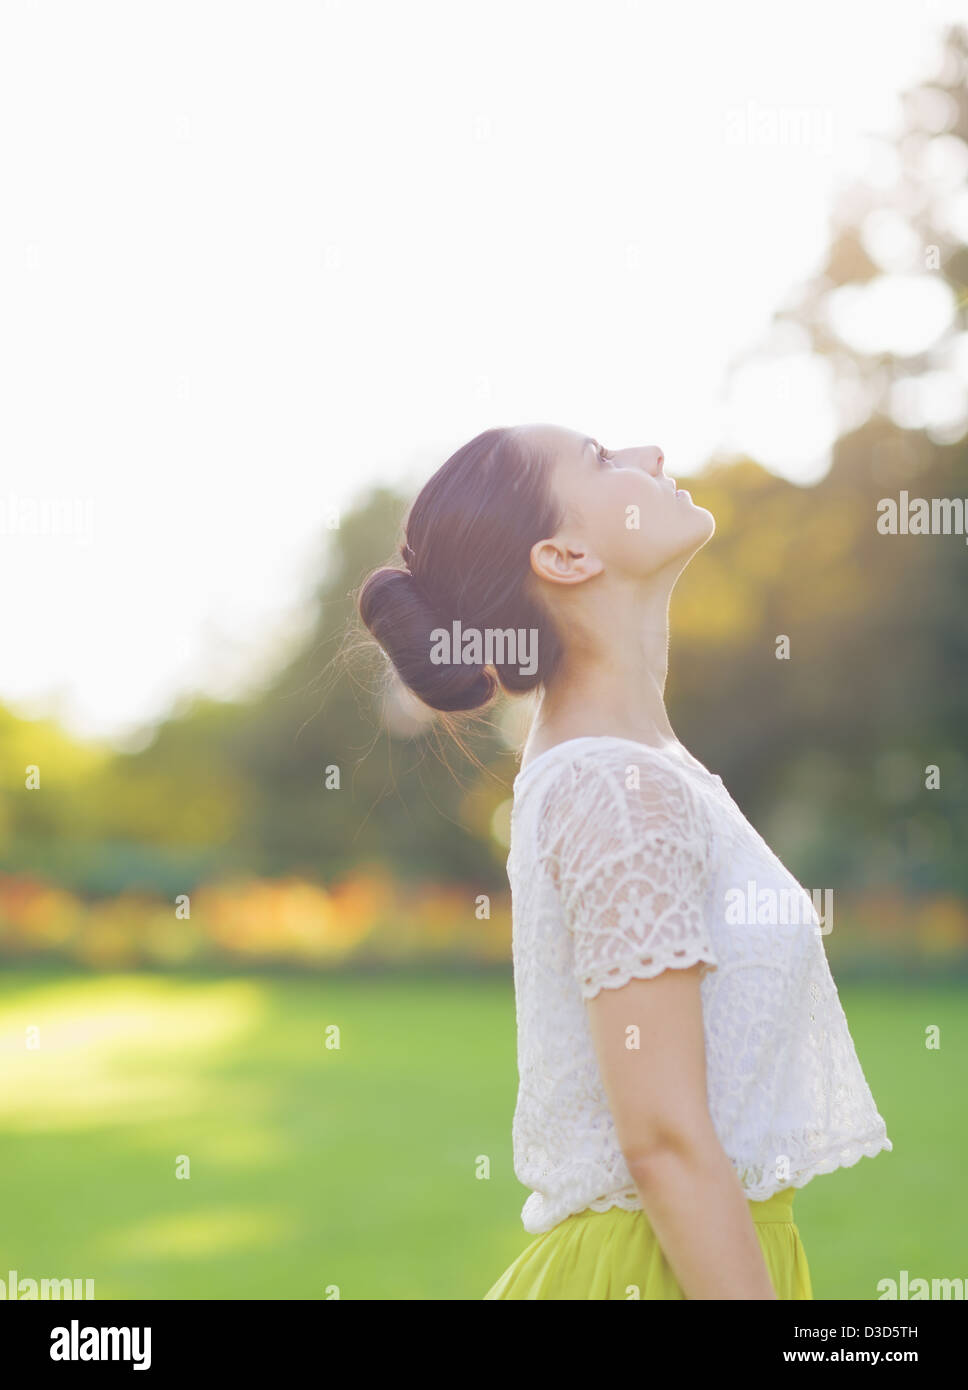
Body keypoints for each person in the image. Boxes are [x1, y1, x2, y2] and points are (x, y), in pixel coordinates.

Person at [357, 423, 892, 1300]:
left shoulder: (639, 770)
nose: (651, 454)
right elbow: (664, 1142)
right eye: (602, 459)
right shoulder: (613, 788)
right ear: (564, 555)